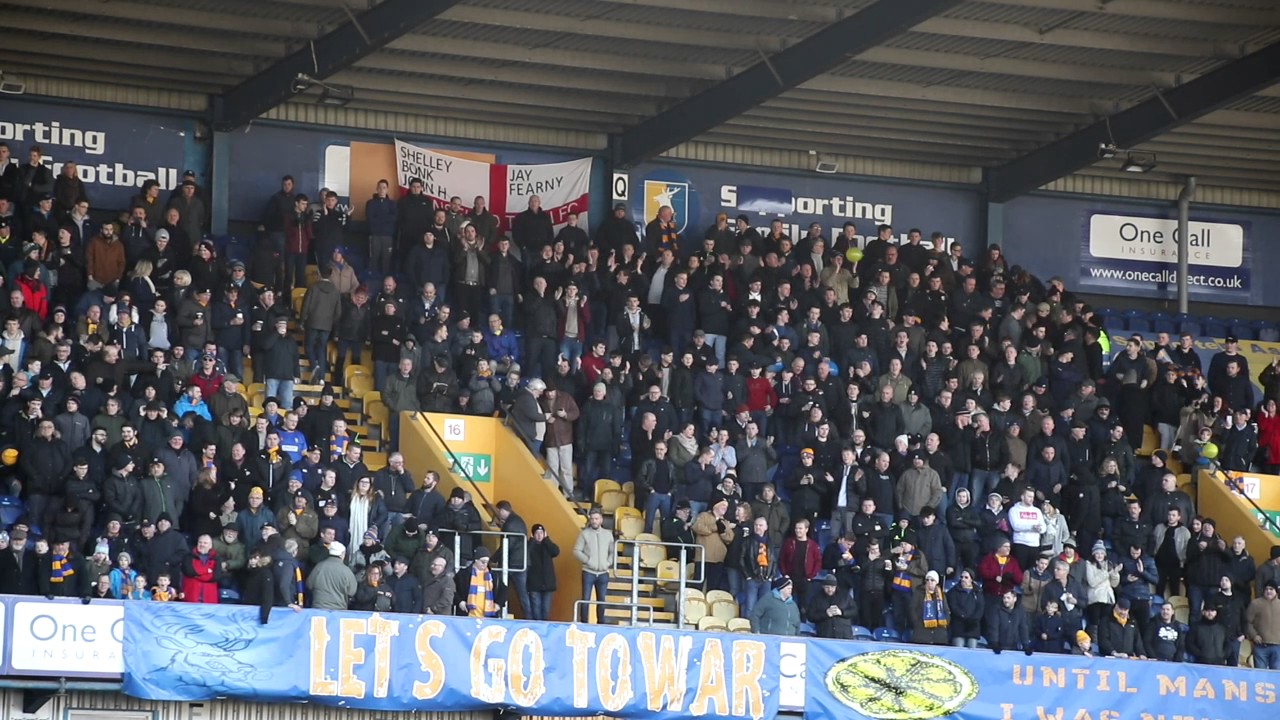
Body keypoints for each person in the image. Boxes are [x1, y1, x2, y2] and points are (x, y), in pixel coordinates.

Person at [573, 508, 614, 622]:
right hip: (588, 572)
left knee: (602, 601)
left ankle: (601, 624)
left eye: (596, 519)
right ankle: (584, 623)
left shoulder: (608, 534)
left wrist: (608, 563)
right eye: (592, 519)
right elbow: (576, 551)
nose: (594, 521)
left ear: (601, 519)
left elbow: (612, 552)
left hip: (603, 573)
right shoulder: (584, 534)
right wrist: (588, 561)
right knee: (585, 599)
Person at [455, 546, 503, 618]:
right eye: (483, 562)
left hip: (488, 617)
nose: (485, 564)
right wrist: (460, 602)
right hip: (467, 616)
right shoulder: (463, 574)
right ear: (476, 560)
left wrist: (498, 604)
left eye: (487, 562)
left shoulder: (493, 575)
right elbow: (453, 590)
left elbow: (503, 590)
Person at [307, 542, 357, 610]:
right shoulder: (347, 571)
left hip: (319, 608)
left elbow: (309, 585)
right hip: (339, 609)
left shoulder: (319, 567)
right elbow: (352, 591)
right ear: (342, 554)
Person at [526, 524, 560, 621]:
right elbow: (525, 553)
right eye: (537, 533)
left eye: (541, 533)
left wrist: (547, 539)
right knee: (536, 610)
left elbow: (556, 552)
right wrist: (531, 541)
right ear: (533, 534)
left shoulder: (547, 544)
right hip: (534, 584)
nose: (539, 535)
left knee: (546, 610)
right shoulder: (529, 545)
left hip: (548, 584)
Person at [808, 574, 857, 639]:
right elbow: (810, 616)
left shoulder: (845, 596)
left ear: (836, 586)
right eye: (827, 587)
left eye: (832, 587)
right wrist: (825, 614)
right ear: (823, 586)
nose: (830, 589)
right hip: (825, 635)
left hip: (844, 635)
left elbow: (854, 611)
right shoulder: (816, 599)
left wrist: (841, 612)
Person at [985, 588, 1032, 655]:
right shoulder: (996, 609)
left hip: (1013, 647)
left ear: (1015, 599)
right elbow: (994, 627)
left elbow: (1023, 628)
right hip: (998, 648)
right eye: (1004, 598)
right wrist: (994, 643)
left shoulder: (1020, 611)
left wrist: (1026, 645)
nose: (1006, 600)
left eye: (1008, 598)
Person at [909, 570, 951, 645]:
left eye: (932, 580)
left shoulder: (941, 595)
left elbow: (946, 610)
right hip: (921, 631)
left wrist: (945, 622)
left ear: (936, 582)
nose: (929, 582)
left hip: (939, 633)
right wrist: (917, 623)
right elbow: (912, 609)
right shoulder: (919, 592)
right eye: (927, 580)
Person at [1246, 581, 1280, 670]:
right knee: (1260, 673)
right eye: (1266, 589)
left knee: (1276, 674)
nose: (1268, 591)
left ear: (1276, 591)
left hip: (1277, 647)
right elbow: (1247, 622)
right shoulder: (1255, 603)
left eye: (1271, 589)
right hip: (1260, 646)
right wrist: (1254, 636)